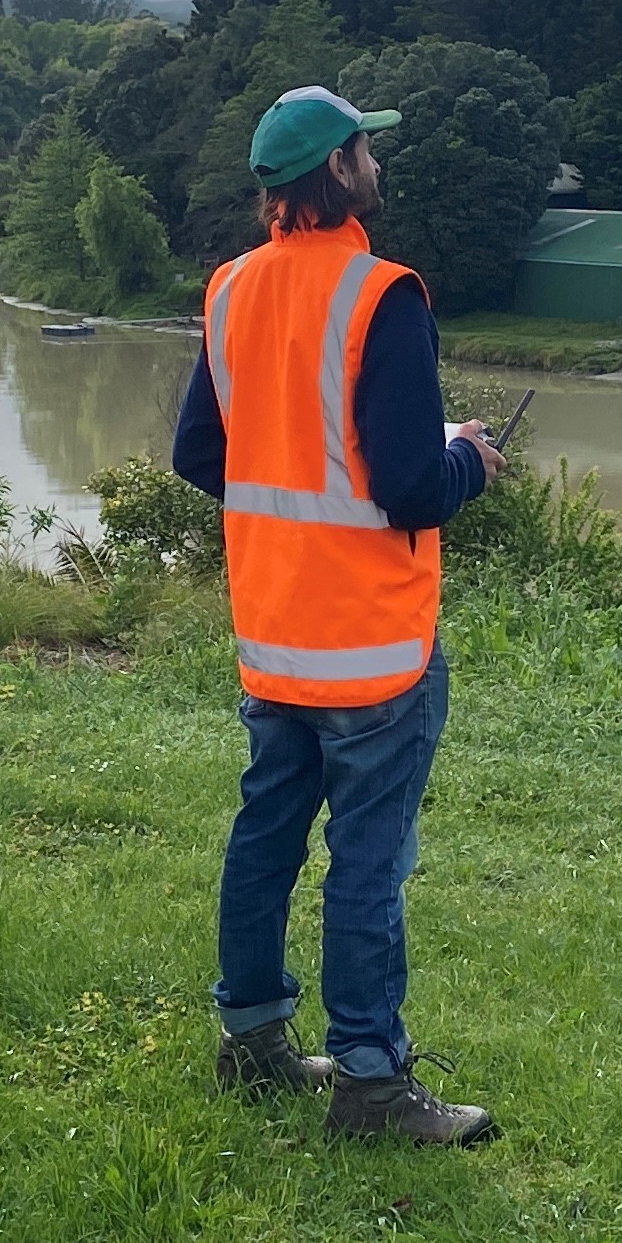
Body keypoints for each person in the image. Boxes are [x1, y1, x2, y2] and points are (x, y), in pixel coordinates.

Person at [170, 86, 506, 1145]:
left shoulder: (231, 291)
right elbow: (409, 486)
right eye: (366, 149)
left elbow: (201, 453)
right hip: (371, 643)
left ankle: (256, 1042)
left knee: (266, 834)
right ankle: (371, 1084)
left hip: (275, 632)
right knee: (370, 857)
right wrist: (470, 461)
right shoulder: (382, 296)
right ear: (342, 173)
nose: (376, 162)